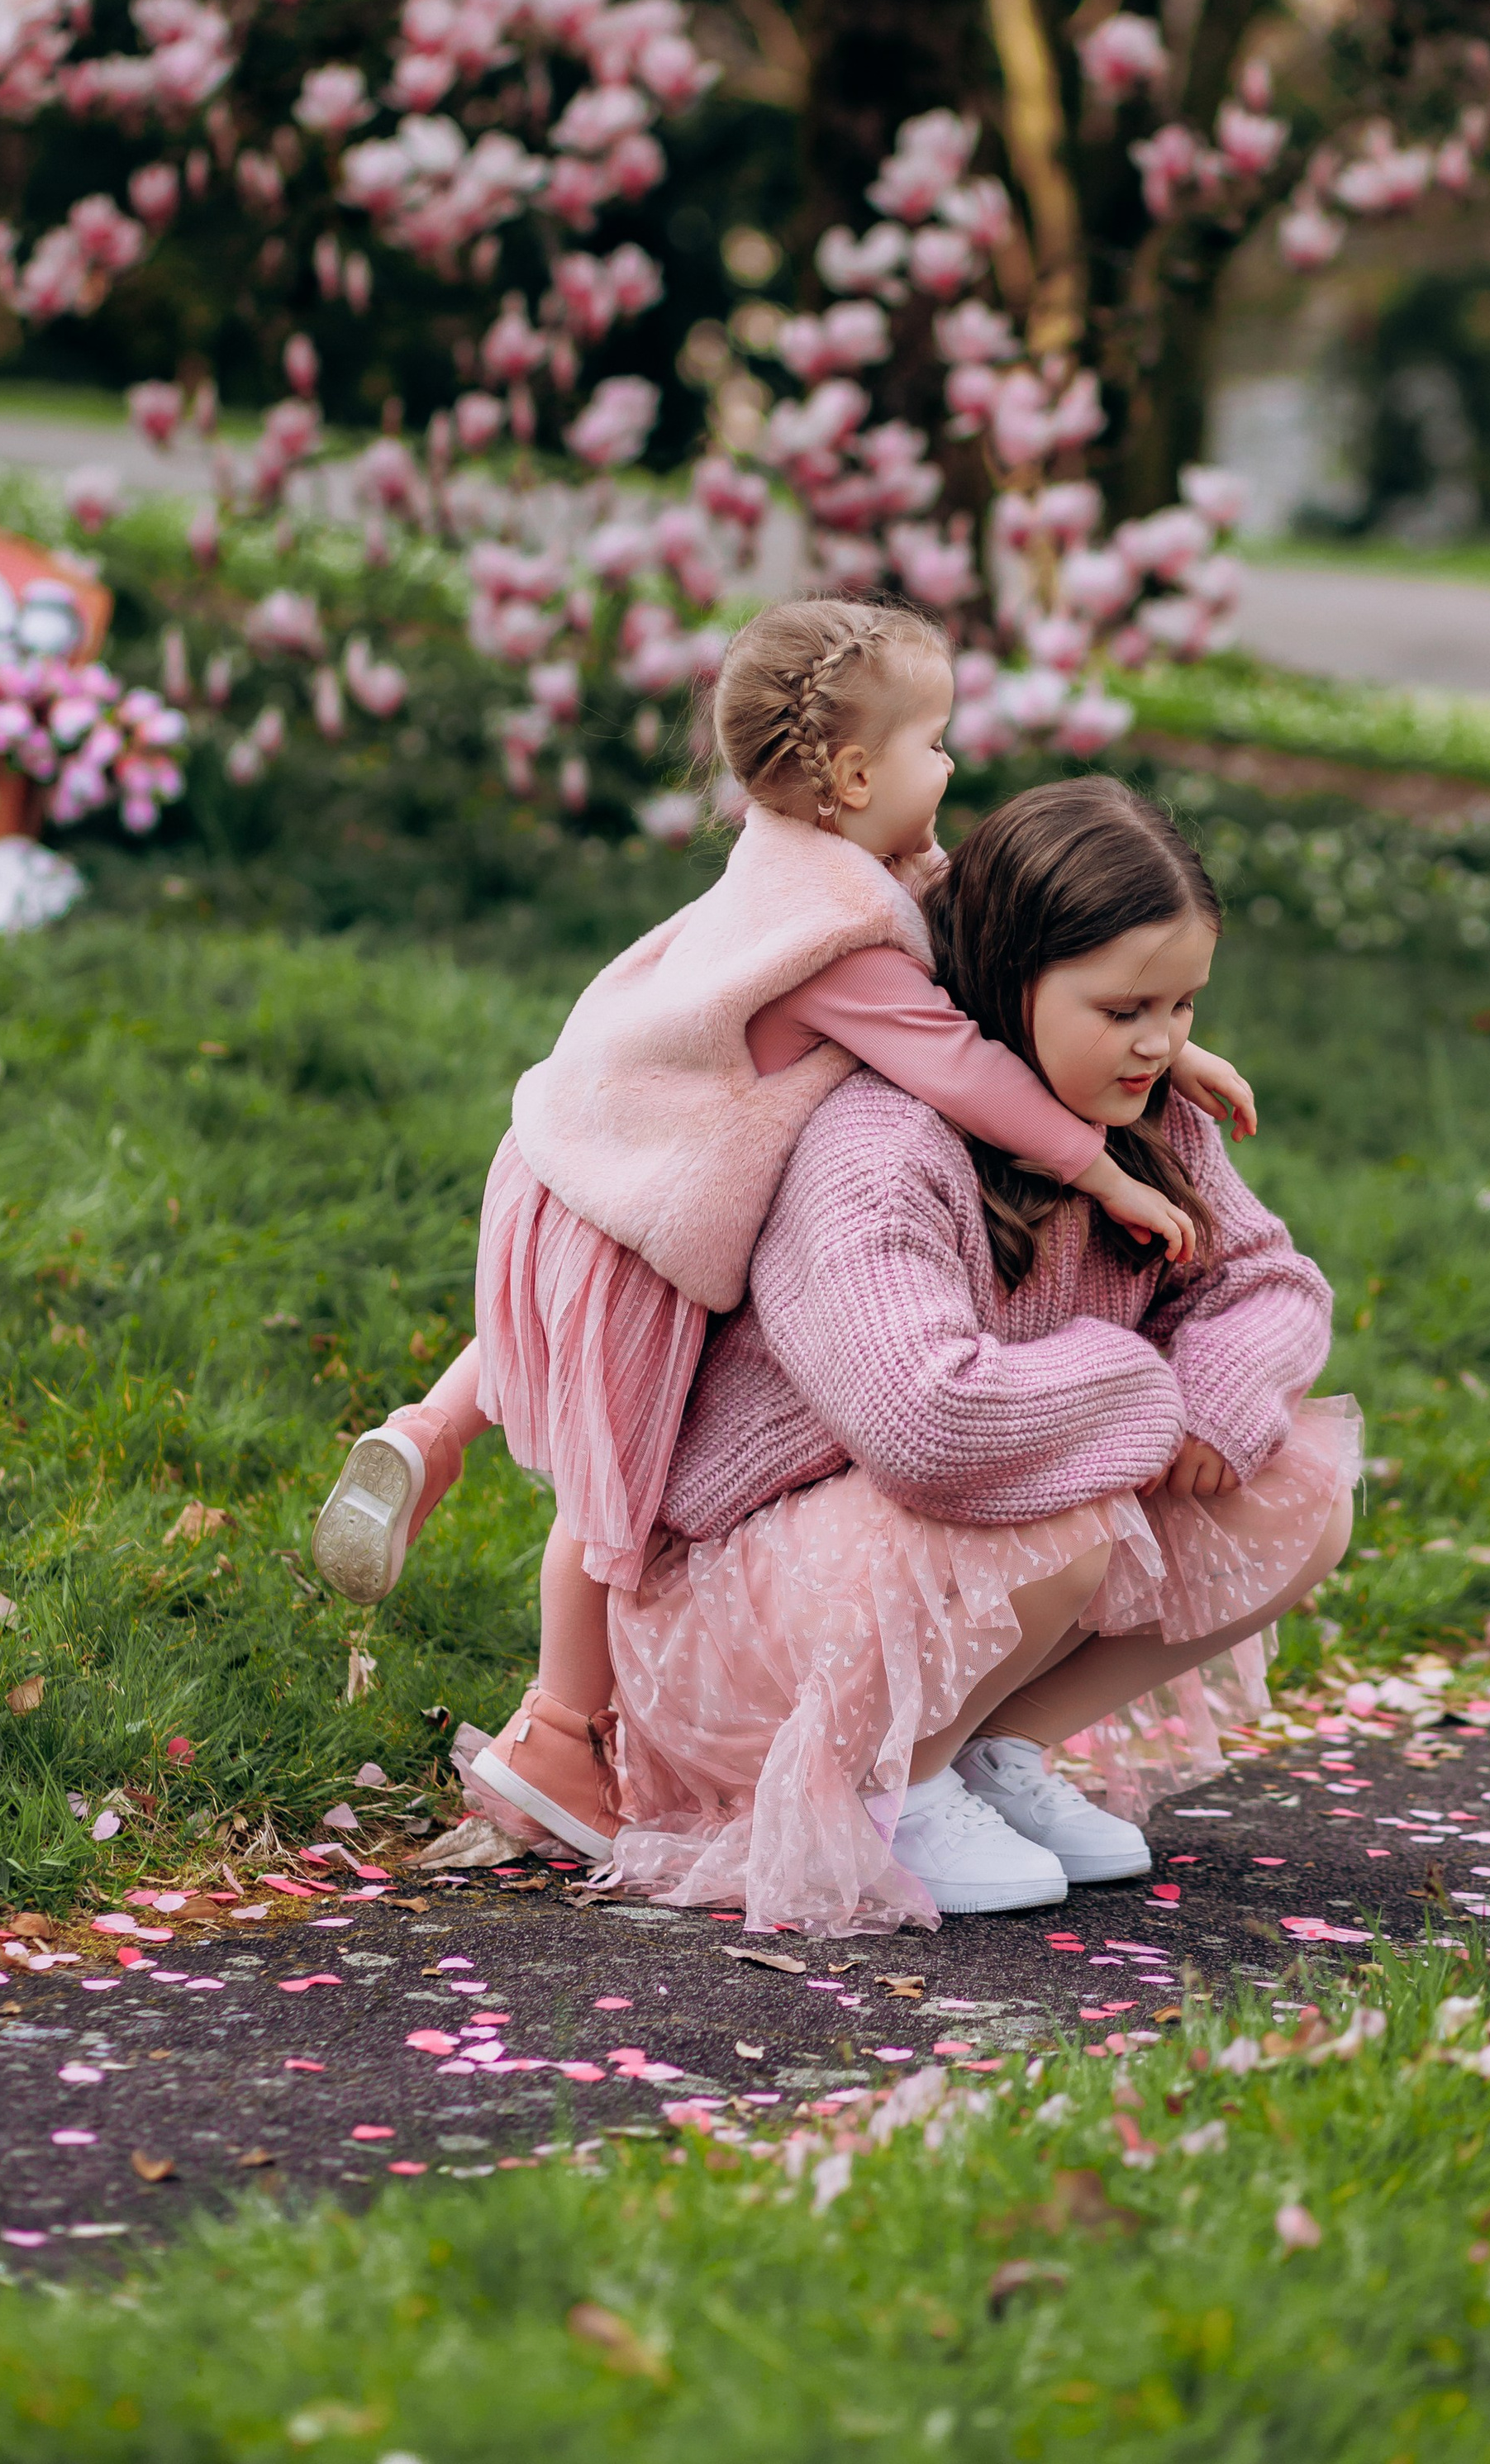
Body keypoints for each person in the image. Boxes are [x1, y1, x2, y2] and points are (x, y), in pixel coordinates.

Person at [311, 600, 1257, 1856]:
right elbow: (969, 1067)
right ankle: (559, 1733)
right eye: (939, 743)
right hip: (650, 1202)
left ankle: (429, 1434)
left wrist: (1170, 1050)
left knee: (548, 1355)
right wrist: (1110, 1175)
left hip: (585, 1159)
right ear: (857, 774)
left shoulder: (807, 857)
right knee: (616, 1497)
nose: (956, 768)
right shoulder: (843, 935)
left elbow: (1039, 954)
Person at [597, 773, 1359, 1933]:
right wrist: (1151, 1396)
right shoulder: (878, 1145)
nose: (1161, 1043)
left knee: (1295, 1484)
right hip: (760, 1594)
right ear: (1010, 980)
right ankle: (886, 1787)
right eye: (1123, 1010)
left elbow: (1268, 1280)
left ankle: (984, 1753)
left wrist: (1217, 1393)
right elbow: (925, 1423)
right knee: (1066, 1522)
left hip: (953, 1527)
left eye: (1185, 1006)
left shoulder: (1148, 1117)